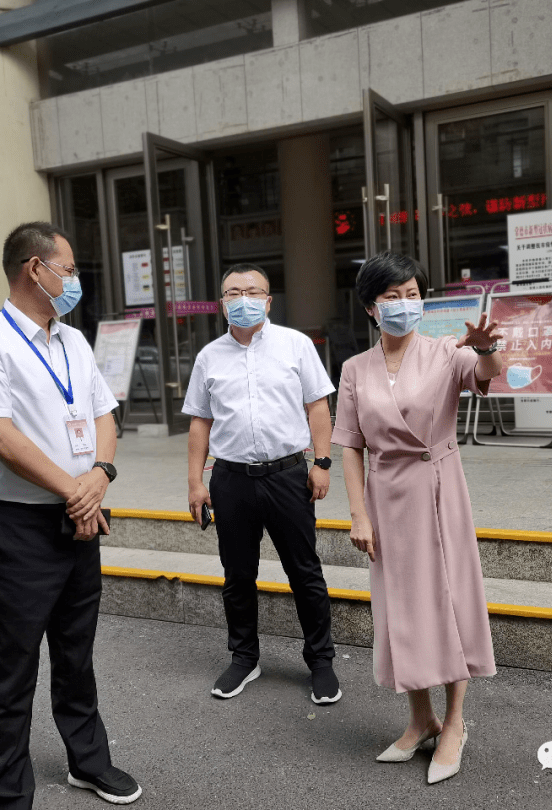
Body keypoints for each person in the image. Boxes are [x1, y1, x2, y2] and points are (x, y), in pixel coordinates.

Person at [0, 222, 141, 808]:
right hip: (20, 529)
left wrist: (99, 477)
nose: (75, 279)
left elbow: (105, 413)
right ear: (37, 268)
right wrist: (73, 491)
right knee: (11, 668)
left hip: (81, 520)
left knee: (76, 654)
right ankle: (6, 794)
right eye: (71, 268)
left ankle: (88, 761)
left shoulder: (73, 341)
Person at [331, 252, 504, 785]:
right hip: (387, 497)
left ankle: (454, 722)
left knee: (449, 602)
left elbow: (484, 375)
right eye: (392, 297)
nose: (405, 305)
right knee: (401, 609)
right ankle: (419, 718)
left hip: (438, 488)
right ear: (370, 308)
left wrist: (489, 349)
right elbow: (350, 446)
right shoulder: (355, 369)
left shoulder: (446, 351)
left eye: (412, 294)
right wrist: (358, 514)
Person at [184, 264, 341, 704]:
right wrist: (196, 482)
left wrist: (323, 463)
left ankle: (321, 661)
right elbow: (200, 422)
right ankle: (244, 657)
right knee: (237, 576)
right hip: (230, 479)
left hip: (289, 476)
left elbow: (318, 406)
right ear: (221, 303)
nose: (243, 298)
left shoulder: (296, 345)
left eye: (253, 291)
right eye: (233, 292)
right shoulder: (209, 357)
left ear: (269, 300)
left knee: (305, 573)